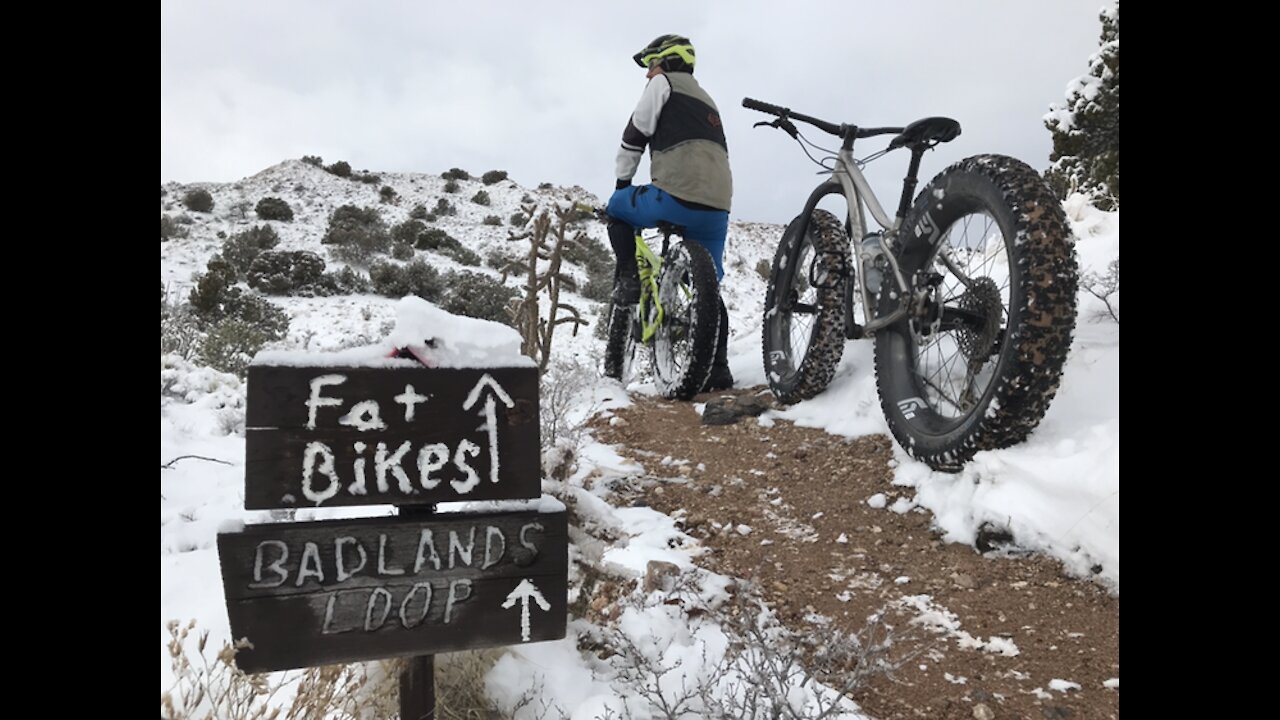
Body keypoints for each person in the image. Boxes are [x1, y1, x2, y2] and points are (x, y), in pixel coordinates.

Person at [605, 34, 734, 391]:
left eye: (650, 65)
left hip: (675, 196)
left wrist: (623, 186)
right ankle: (718, 368)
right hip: (717, 208)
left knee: (616, 210)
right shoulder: (707, 99)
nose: (647, 75)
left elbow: (635, 135)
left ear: (666, 62)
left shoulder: (662, 84)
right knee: (708, 287)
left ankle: (629, 279)